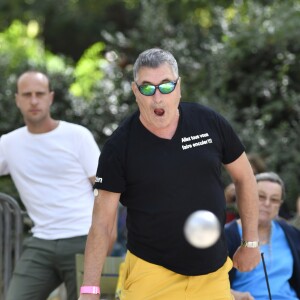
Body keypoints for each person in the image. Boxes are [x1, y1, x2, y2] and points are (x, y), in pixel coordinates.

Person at [79, 48, 261, 300]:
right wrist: (89, 289)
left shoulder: (209, 122)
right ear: (135, 91)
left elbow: (245, 178)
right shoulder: (119, 147)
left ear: (178, 87)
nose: (157, 98)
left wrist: (250, 242)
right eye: (147, 88)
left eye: (165, 86)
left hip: (213, 275)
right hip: (150, 272)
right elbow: (102, 222)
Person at [0, 70, 117, 300]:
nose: (34, 100)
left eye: (40, 94)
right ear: (17, 99)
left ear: (50, 97)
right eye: (27, 94)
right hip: (41, 242)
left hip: (84, 238)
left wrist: (107, 241)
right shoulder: (8, 144)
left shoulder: (77, 136)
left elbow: (106, 192)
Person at [225, 172, 300, 300]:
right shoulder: (227, 236)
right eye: (260, 196)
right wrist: (235, 295)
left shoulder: (292, 233)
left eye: (274, 199)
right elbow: (209, 283)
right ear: (246, 197)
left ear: (280, 205)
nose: (267, 203)